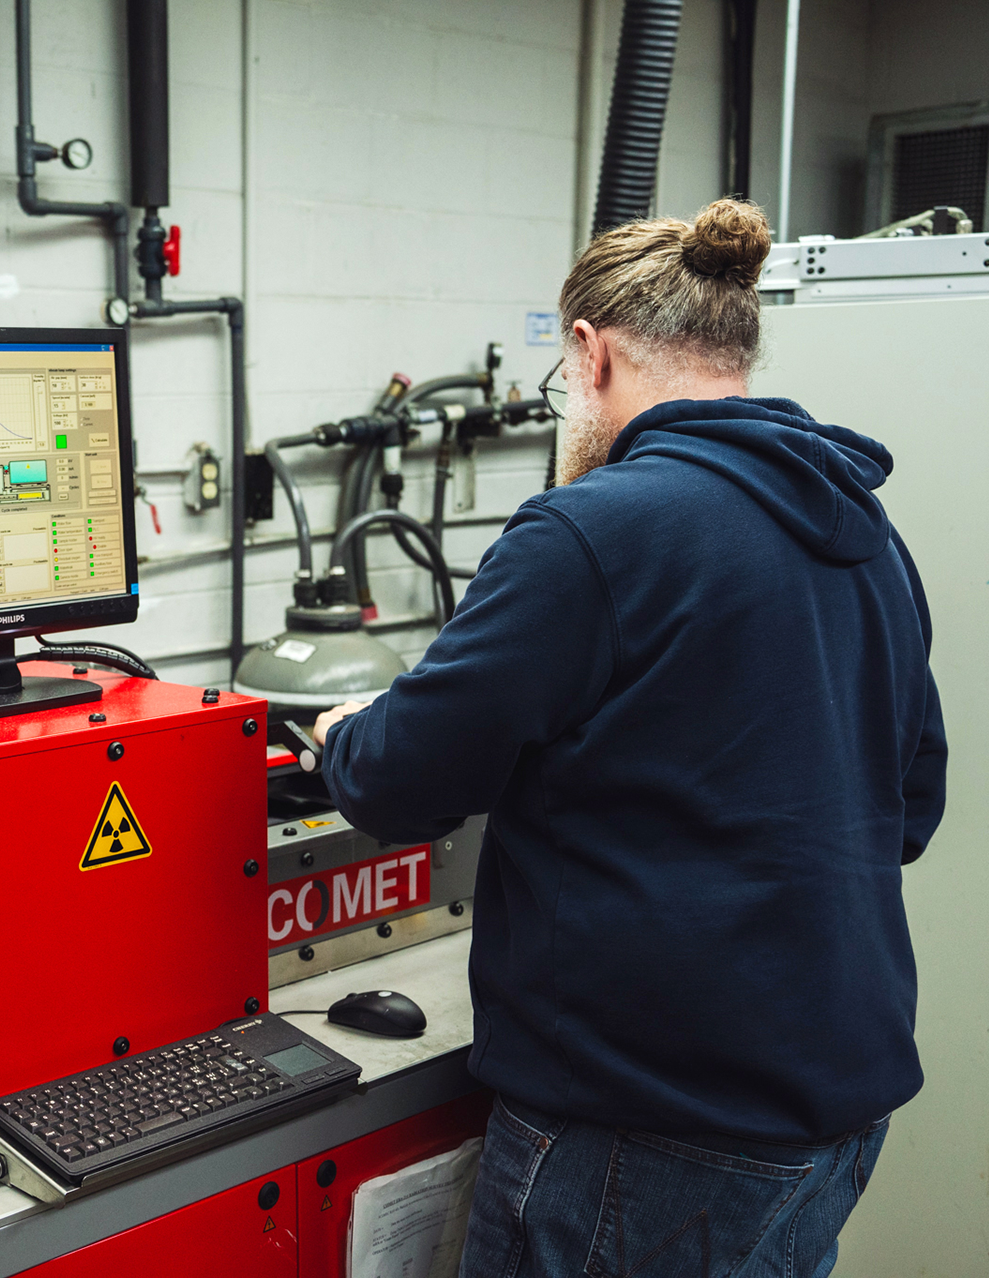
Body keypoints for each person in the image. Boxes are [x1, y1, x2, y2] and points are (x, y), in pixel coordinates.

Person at [312, 199, 946, 1278]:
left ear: (588, 352)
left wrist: (341, 734)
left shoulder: (593, 529)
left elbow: (403, 779)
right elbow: (909, 806)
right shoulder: (858, 525)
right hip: (828, 1112)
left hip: (648, 1130)